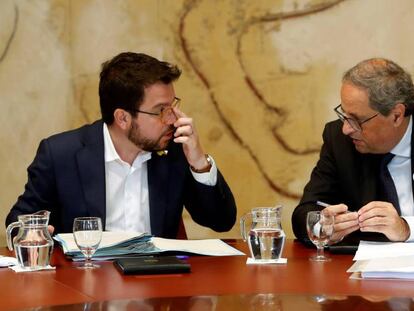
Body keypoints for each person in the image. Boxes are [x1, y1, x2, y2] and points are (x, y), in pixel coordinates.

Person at [6, 52, 237, 238]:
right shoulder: (60, 154)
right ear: (123, 118)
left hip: (159, 286)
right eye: (160, 111)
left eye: (172, 106)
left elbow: (221, 221)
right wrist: (31, 233)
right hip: (85, 286)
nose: (172, 119)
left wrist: (199, 163)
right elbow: (18, 223)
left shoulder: (175, 150)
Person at [292, 58, 414, 245]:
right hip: (357, 267)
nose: (346, 129)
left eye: (356, 119)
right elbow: (305, 212)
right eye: (344, 115)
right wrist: (322, 226)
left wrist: (406, 229)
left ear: (396, 115)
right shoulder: (339, 140)